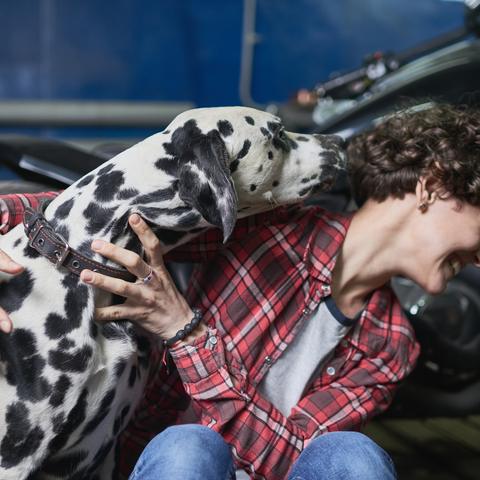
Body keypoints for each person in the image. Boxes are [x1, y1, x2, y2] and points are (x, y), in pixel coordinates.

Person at [1, 102, 480, 479]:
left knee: (353, 456)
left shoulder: (393, 345)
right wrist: (6, 217)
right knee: (191, 447)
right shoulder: (272, 222)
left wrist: (187, 335)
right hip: (170, 464)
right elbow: (112, 210)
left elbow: (292, 455)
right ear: (435, 184)